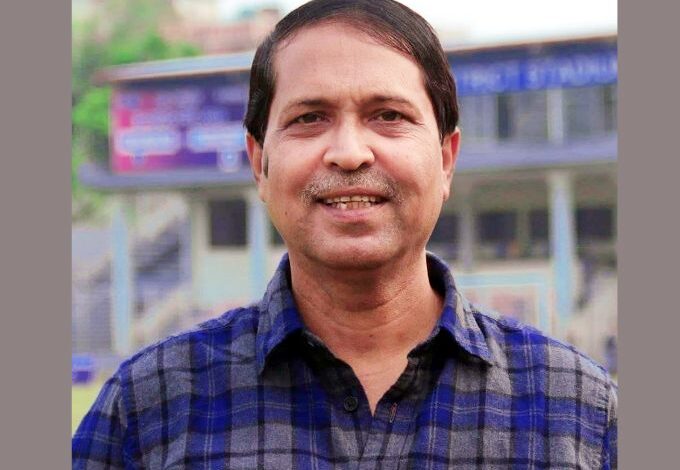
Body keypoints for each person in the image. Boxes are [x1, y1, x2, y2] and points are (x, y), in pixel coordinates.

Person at [72, 0, 617, 468]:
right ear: (259, 163)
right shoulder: (147, 408)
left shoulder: (579, 412)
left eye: (389, 115)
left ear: (446, 159)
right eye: (310, 118)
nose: (350, 153)